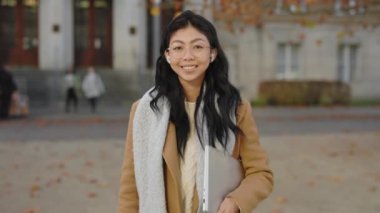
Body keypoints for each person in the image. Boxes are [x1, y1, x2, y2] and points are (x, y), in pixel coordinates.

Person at [118, 10, 273, 213]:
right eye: (178, 48)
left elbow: (261, 174)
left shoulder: (235, 108)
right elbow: (131, 186)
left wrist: (236, 201)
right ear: (168, 55)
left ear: (213, 53)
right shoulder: (145, 110)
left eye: (198, 46)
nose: (188, 56)